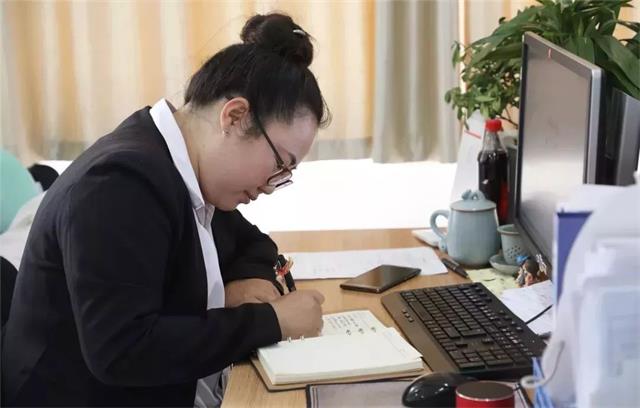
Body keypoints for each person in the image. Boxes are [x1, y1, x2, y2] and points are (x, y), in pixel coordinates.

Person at [2, 13, 329, 407]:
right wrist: (271, 321)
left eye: (286, 174)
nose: (271, 185)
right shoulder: (121, 183)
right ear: (234, 116)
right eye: (279, 163)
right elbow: (122, 350)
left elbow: (253, 244)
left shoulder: (187, 173)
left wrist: (246, 284)